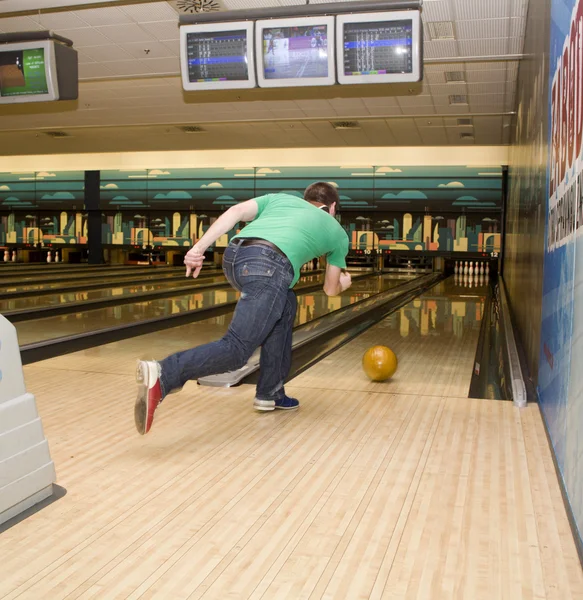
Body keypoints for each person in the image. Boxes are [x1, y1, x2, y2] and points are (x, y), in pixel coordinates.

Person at [134, 182, 351, 435]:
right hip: (269, 266)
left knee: (286, 301)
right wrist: (344, 283)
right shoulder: (337, 232)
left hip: (236, 256)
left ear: (306, 199)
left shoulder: (280, 199)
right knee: (237, 350)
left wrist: (198, 248)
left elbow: (235, 212)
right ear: (333, 206)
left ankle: (270, 392)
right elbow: (330, 289)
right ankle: (164, 372)